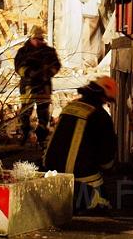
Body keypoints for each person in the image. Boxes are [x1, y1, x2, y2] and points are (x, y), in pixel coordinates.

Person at [43, 76, 117, 211]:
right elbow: (106, 159)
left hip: (51, 174)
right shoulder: (101, 116)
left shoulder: (69, 107)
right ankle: (93, 202)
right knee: (105, 202)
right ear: (104, 97)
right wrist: (110, 168)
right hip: (81, 179)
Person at [14, 27, 61, 144]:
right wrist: (30, 74)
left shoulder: (49, 51)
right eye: (37, 39)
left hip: (44, 87)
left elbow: (56, 65)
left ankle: (41, 138)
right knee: (25, 113)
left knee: (44, 115)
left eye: (41, 39)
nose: (40, 41)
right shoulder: (23, 51)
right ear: (31, 38)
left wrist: (47, 73)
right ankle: (24, 136)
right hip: (28, 88)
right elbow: (18, 67)